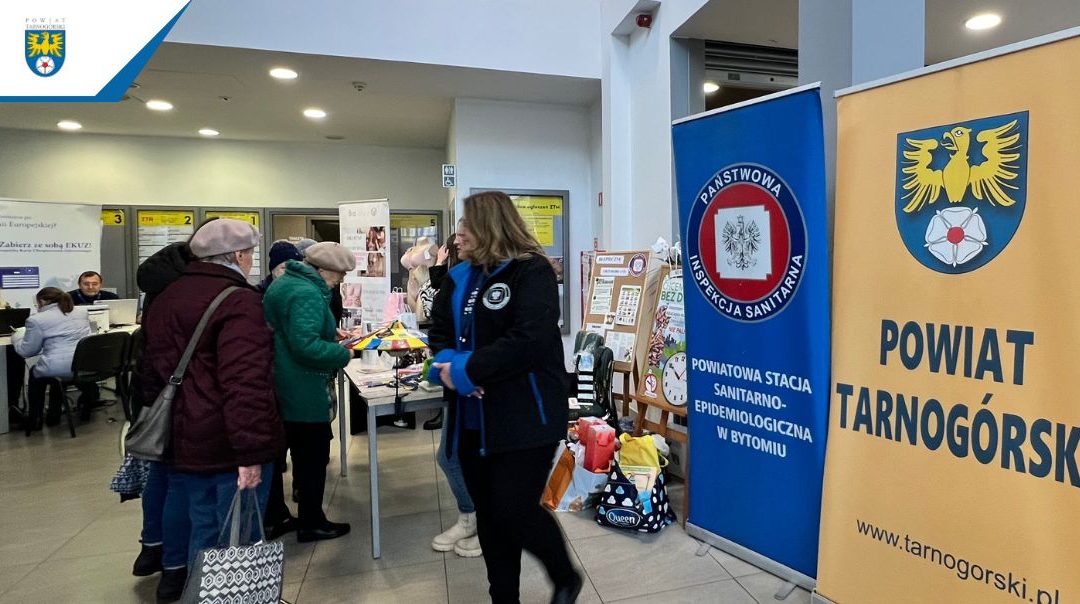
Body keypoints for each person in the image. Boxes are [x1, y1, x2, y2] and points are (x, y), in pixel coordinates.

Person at [427, 192, 581, 603]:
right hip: (472, 420)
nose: (457, 235)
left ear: (490, 227)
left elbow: (527, 341)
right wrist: (446, 365)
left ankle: (565, 576)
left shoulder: (532, 273)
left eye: (466, 226)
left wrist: (465, 370)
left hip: (526, 417)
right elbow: (439, 331)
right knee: (490, 519)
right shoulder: (459, 275)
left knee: (514, 509)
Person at [139, 219, 285, 602]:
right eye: (250, 254)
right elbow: (245, 383)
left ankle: (196, 595)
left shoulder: (166, 297)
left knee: (202, 534)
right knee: (237, 539)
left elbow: (152, 374)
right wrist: (251, 453)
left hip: (185, 441)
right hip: (228, 445)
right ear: (238, 255)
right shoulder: (238, 301)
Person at [263, 242, 354, 542]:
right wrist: (341, 353)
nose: (340, 280)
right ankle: (312, 521)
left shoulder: (287, 283)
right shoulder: (307, 293)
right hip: (301, 386)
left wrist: (330, 333)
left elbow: (292, 332)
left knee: (284, 453)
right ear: (324, 269)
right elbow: (305, 346)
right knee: (313, 455)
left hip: (282, 382)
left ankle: (276, 516)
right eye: (339, 274)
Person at [128, 238, 198, 590]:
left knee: (160, 473)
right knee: (181, 480)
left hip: (150, 392)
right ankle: (174, 567)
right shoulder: (183, 294)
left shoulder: (158, 290)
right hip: (177, 396)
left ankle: (151, 548)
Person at [12, 288, 91, 431]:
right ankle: (53, 414)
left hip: (60, 368)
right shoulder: (82, 312)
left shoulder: (36, 320)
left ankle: (35, 419)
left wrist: (17, 336)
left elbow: (27, 351)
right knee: (55, 373)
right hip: (84, 365)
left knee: (36, 374)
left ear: (42, 301)